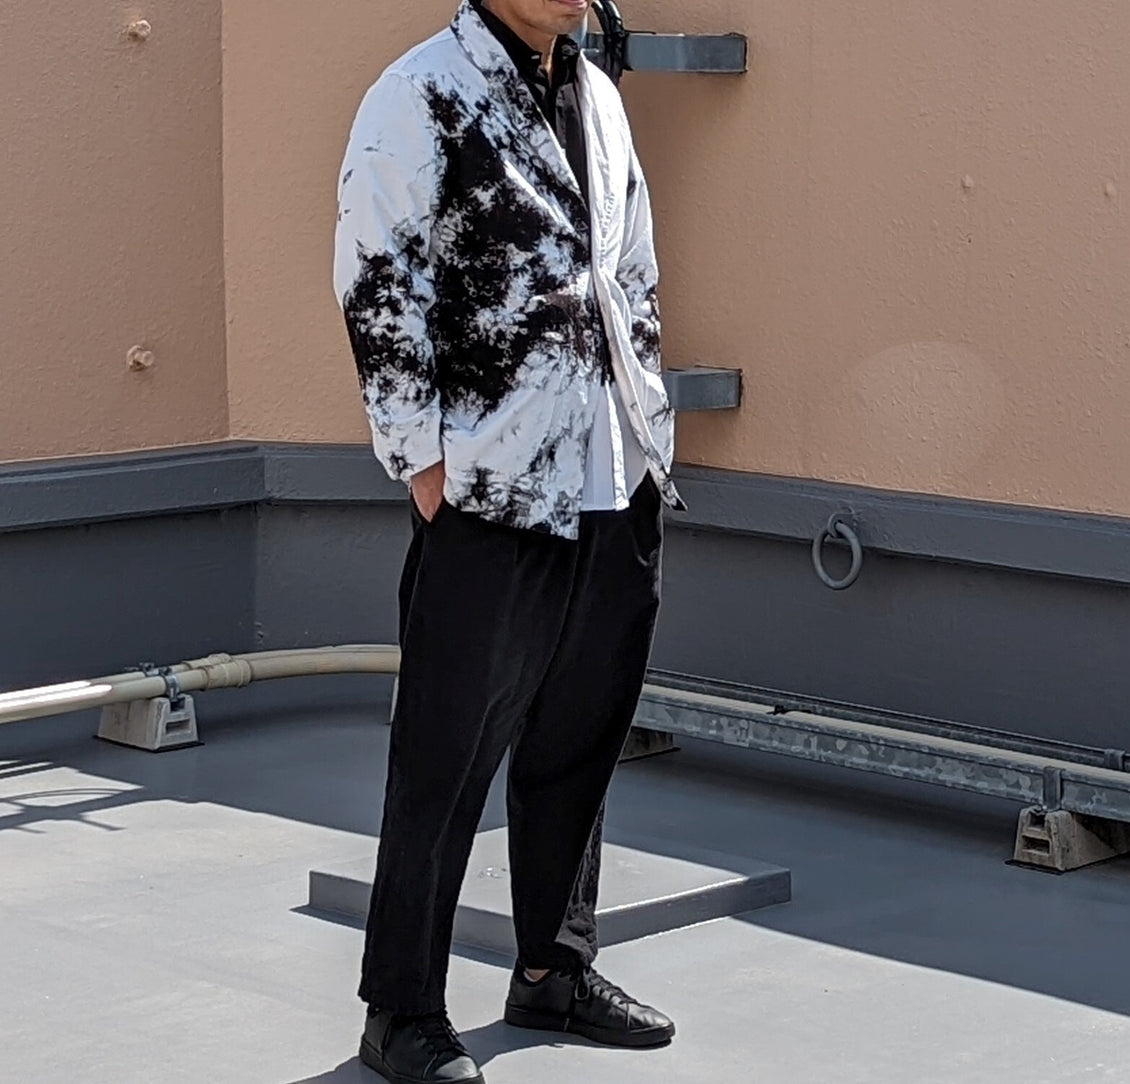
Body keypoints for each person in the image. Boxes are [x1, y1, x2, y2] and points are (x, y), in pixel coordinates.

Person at [333, 0, 683, 1080]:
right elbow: (378, 284)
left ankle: (552, 969)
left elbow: (631, 268)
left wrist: (649, 423)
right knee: (443, 757)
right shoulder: (417, 94)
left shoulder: (599, 94)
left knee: (581, 732)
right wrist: (424, 466)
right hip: (489, 488)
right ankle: (400, 1010)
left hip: (613, 474)